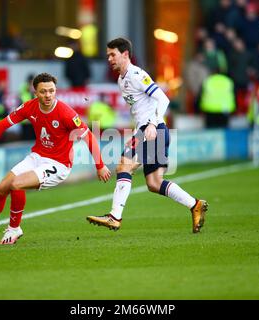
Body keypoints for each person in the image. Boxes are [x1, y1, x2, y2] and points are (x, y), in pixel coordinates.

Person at [0, 73, 111, 245]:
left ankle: (14, 228)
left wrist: (100, 165)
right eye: (43, 91)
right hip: (37, 156)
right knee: (0, 188)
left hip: (58, 164)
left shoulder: (66, 113)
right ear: (35, 92)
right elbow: (2, 125)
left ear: (56, 91)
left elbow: (89, 136)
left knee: (17, 184)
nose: (48, 95)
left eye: (51, 91)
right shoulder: (29, 107)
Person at [86, 38, 208, 233]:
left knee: (123, 166)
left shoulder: (136, 74)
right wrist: (136, 132)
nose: (109, 59)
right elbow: (142, 108)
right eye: (108, 55)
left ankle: (114, 216)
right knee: (154, 183)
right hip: (150, 130)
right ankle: (195, 205)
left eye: (112, 54)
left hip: (153, 129)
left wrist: (151, 124)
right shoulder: (121, 79)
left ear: (125, 54)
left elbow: (163, 98)